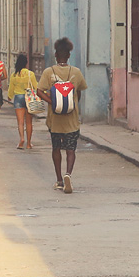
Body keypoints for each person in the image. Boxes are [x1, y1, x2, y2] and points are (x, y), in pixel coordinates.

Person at [37, 37, 87, 193]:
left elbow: (39, 91)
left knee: (56, 148)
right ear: (69, 55)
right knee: (71, 150)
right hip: (72, 120)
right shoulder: (76, 72)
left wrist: (52, 102)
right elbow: (79, 91)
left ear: (56, 55)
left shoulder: (48, 72)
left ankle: (59, 179)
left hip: (55, 120)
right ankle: (68, 174)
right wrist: (72, 102)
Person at [7, 53, 38, 150]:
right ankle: (29, 144)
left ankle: (21, 139)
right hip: (29, 98)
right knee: (29, 122)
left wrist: (9, 96)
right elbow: (35, 86)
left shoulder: (14, 75)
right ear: (26, 63)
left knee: (20, 122)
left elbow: (11, 87)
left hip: (18, 97)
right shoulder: (30, 74)